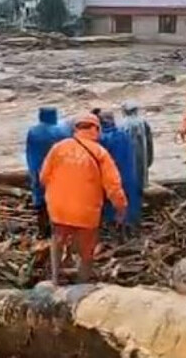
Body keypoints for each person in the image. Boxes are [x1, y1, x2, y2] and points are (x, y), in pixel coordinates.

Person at [40, 115, 127, 284]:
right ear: (95, 129)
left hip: (58, 208)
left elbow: (43, 177)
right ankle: (82, 285)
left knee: (58, 240)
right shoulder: (100, 153)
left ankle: (55, 280)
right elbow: (113, 185)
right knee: (87, 250)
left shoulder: (59, 148)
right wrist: (121, 207)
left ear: (76, 129)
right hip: (86, 211)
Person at [24, 107, 69, 238]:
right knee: (58, 198)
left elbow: (28, 151)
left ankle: (42, 231)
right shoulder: (61, 131)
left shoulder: (33, 131)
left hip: (37, 167)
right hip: (57, 170)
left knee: (40, 200)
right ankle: (58, 229)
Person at [99, 111, 141, 227]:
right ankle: (132, 223)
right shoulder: (124, 134)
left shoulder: (102, 139)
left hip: (113, 175)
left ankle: (114, 225)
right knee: (131, 198)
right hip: (129, 173)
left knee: (112, 202)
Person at [119, 100, 154, 200]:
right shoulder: (143, 122)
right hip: (143, 153)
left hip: (128, 155)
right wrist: (150, 157)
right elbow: (149, 141)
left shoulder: (122, 124)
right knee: (141, 174)